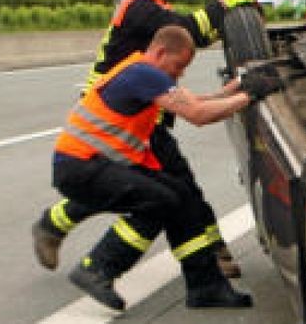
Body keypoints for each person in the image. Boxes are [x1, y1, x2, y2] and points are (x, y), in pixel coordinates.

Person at [32, 0, 257, 287]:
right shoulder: (139, 7)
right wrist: (221, 8)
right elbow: (187, 31)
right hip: (119, 117)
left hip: (135, 114)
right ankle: (207, 262)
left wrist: (231, 89)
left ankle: (54, 224)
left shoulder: (149, 13)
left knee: (147, 186)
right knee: (171, 189)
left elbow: (191, 42)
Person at [51, 26, 281, 311]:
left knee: (181, 195)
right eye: (179, 66)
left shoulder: (146, 74)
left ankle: (205, 286)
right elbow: (197, 115)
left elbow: (194, 102)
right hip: (80, 166)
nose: (180, 74)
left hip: (97, 165)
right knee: (159, 199)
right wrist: (250, 96)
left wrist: (237, 89)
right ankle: (98, 268)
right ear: (160, 53)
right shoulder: (144, 73)